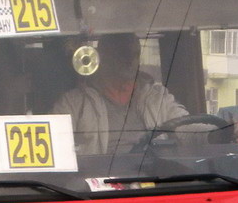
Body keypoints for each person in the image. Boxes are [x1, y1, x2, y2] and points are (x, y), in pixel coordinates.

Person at [53, 32, 187, 154]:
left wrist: (206, 134)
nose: (130, 60)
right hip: (99, 178)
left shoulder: (157, 98)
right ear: (103, 56)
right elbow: (55, 143)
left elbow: (187, 128)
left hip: (154, 176)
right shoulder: (74, 103)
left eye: (135, 54)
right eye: (122, 54)